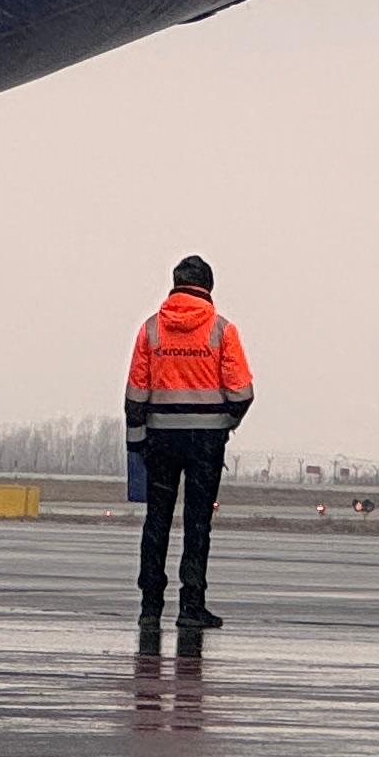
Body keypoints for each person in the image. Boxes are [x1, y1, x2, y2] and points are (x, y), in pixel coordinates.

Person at [125, 253, 255, 630]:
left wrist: (137, 445)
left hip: (160, 440)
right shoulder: (222, 330)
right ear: (208, 287)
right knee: (197, 523)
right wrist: (225, 422)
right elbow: (242, 391)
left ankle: (150, 608)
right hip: (205, 443)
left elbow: (135, 394)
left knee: (157, 522)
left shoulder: (150, 329)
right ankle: (191, 606)